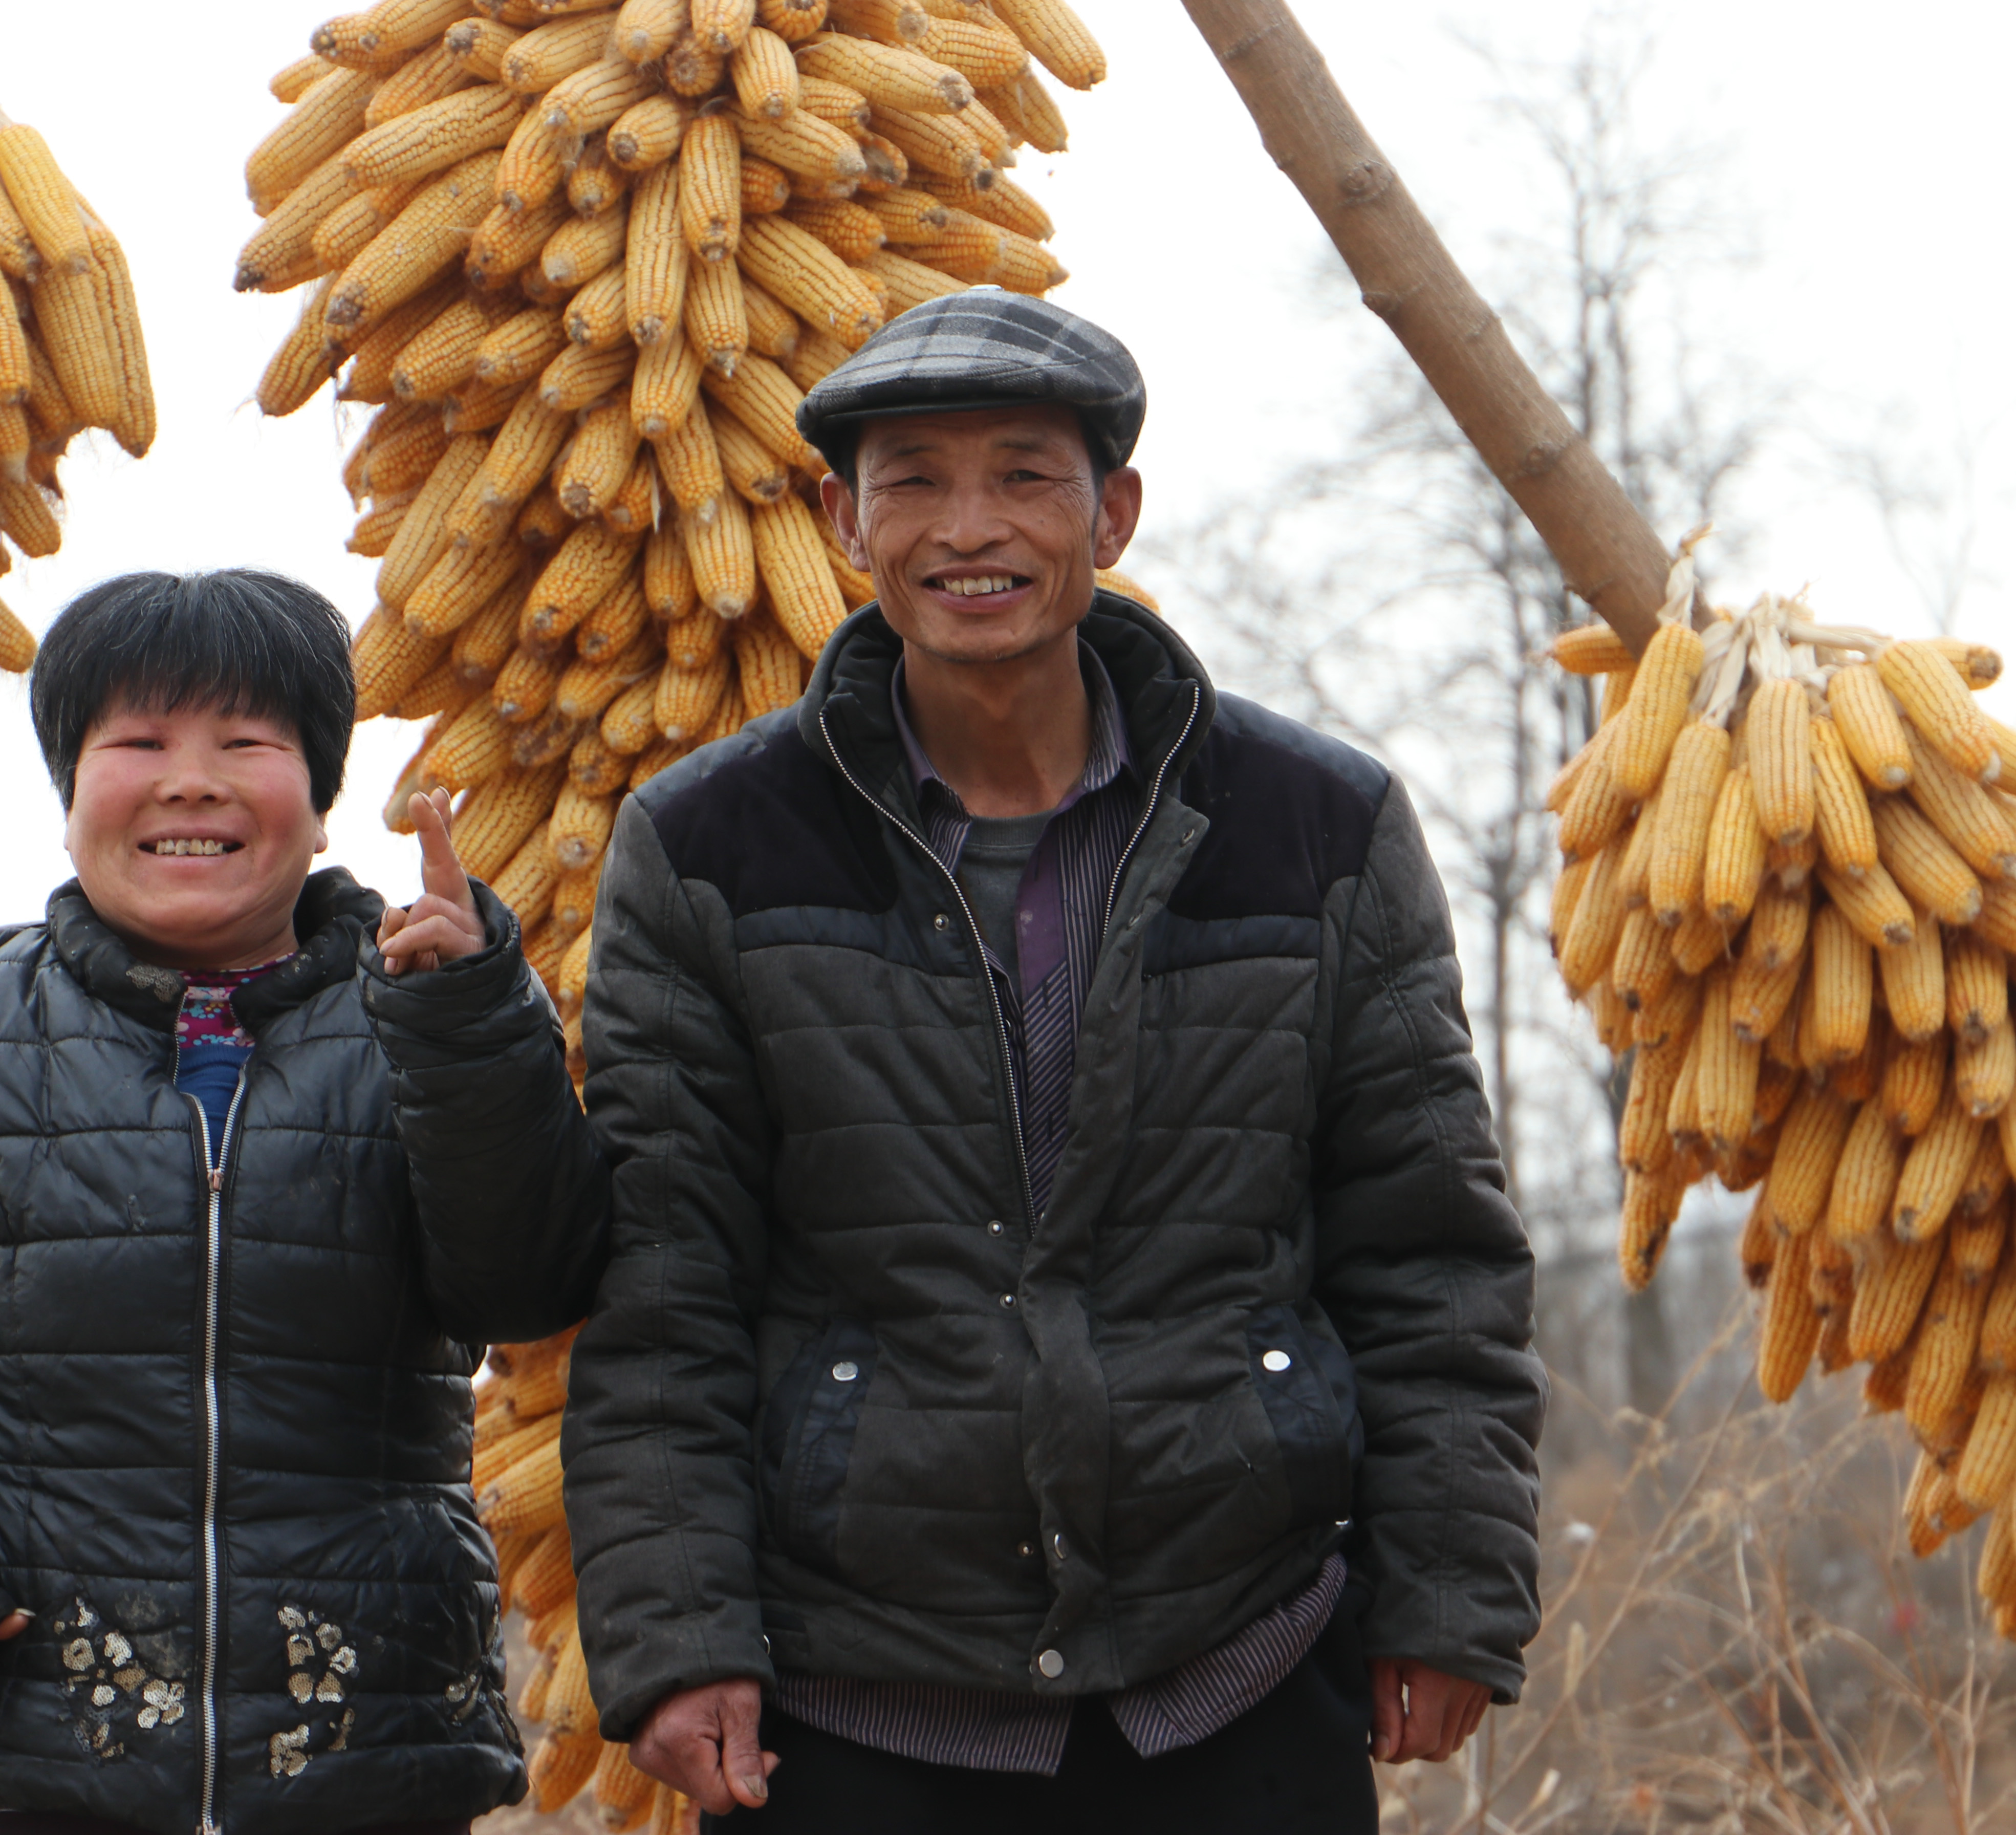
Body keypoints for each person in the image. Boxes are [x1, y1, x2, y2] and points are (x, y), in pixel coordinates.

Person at [561, 291, 1546, 1832]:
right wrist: (679, 1635)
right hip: (858, 1687)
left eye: (1025, 473)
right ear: (842, 518)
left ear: (1114, 513)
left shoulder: (1314, 823)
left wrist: (1447, 1587)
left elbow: (1427, 1246)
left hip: (1237, 1660)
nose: (971, 527)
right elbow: (662, 1286)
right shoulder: (707, 846)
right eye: (914, 481)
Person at [0, 569, 611, 1835]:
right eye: (138, 741)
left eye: (246, 744)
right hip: (32, 1739)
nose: (190, 779)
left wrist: (470, 1030)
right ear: (69, 797)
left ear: (319, 804)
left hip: (361, 1749)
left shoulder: (430, 1001)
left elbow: (526, 1284)